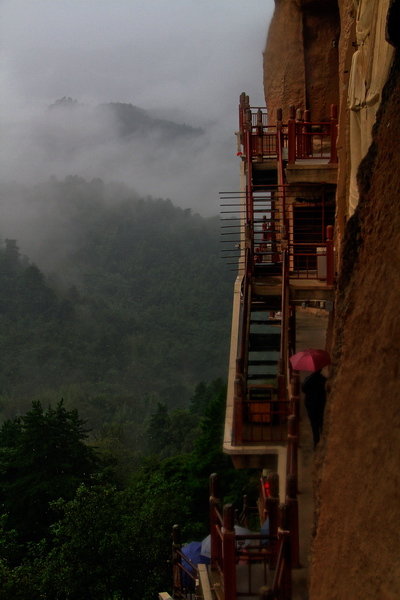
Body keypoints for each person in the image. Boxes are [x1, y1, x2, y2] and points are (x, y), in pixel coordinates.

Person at [302, 369, 327, 448]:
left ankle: (316, 442)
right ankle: (323, 441)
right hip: (320, 405)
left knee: (314, 424)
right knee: (321, 422)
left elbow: (303, 389)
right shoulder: (323, 380)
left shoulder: (309, 379)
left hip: (311, 405)